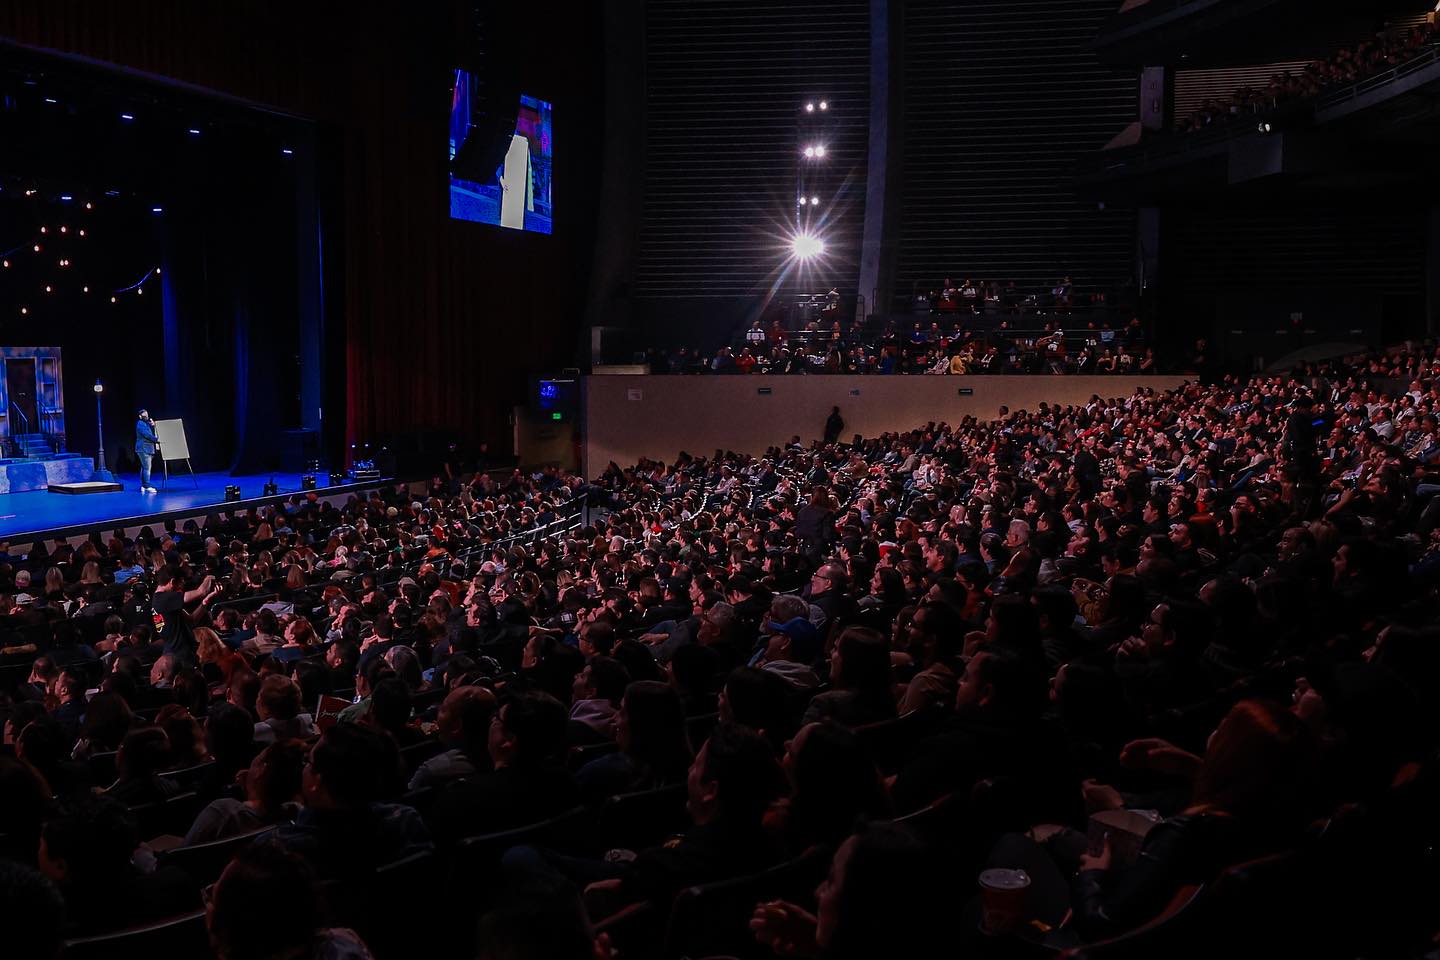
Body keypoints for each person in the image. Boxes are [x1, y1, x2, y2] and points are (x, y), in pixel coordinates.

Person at [184, 739, 306, 845]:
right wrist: (252, 790)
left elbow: (184, 853)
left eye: (259, 756)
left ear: (262, 769)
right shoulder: (297, 813)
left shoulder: (223, 812)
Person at [135, 408, 159, 494]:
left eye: (147, 415)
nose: (146, 416)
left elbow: (150, 430)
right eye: (144, 415)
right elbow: (147, 434)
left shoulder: (146, 423)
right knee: (147, 468)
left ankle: (143, 486)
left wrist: (153, 425)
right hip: (143, 448)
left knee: (144, 467)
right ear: (140, 416)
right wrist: (156, 439)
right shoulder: (140, 423)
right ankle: (147, 486)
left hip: (146, 449)